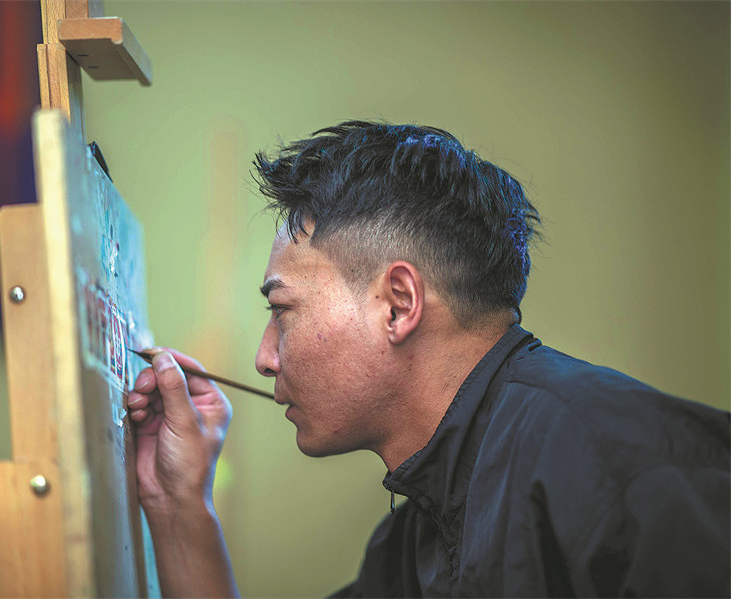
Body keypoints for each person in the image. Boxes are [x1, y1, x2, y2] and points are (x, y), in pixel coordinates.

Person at [125, 121, 730, 597]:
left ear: (399, 304)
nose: (264, 358)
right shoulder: (412, 543)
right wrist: (179, 500)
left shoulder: (620, 464)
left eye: (282, 310)